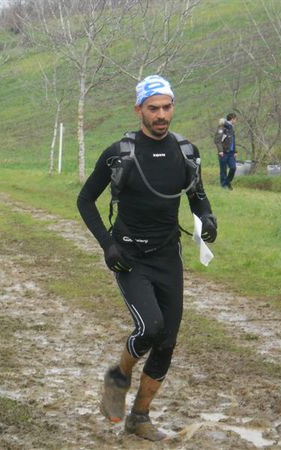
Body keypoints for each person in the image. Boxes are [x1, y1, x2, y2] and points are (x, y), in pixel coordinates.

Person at [76, 75, 217, 441]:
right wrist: (108, 245)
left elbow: (197, 198)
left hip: (167, 255)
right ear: (139, 109)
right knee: (150, 328)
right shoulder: (119, 153)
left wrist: (208, 218)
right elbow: (85, 200)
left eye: (167, 107)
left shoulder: (187, 152)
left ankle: (139, 416)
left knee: (167, 339)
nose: (161, 115)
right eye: (153, 108)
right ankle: (117, 378)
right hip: (130, 256)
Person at [214, 112, 237, 189]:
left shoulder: (231, 128)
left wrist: (235, 151)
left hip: (231, 153)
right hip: (223, 153)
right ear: (232, 119)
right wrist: (220, 151)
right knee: (223, 170)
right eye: (235, 119)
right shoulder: (222, 127)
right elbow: (217, 140)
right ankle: (224, 186)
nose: (236, 121)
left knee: (233, 168)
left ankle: (227, 182)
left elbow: (233, 141)